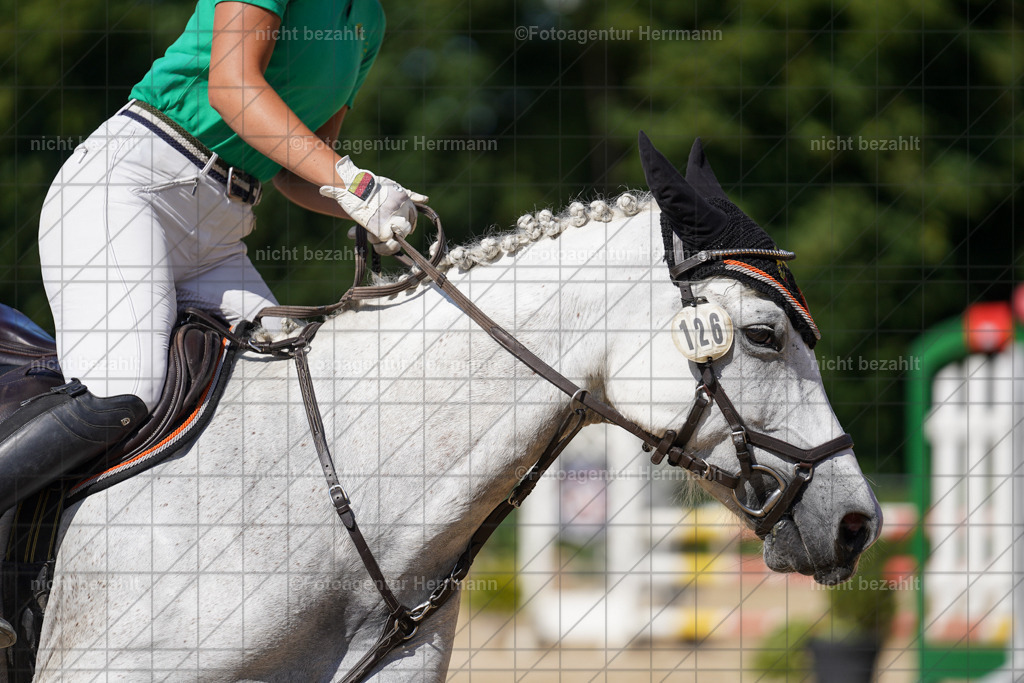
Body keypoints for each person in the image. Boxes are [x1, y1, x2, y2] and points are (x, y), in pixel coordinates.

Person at [0, 0, 425, 647]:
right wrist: (349, 180)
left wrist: (356, 197)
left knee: (292, 397)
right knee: (128, 388)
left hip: (222, 232)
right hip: (126, 188)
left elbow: (295, 164)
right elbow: (234, 87)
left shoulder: (367, 20)